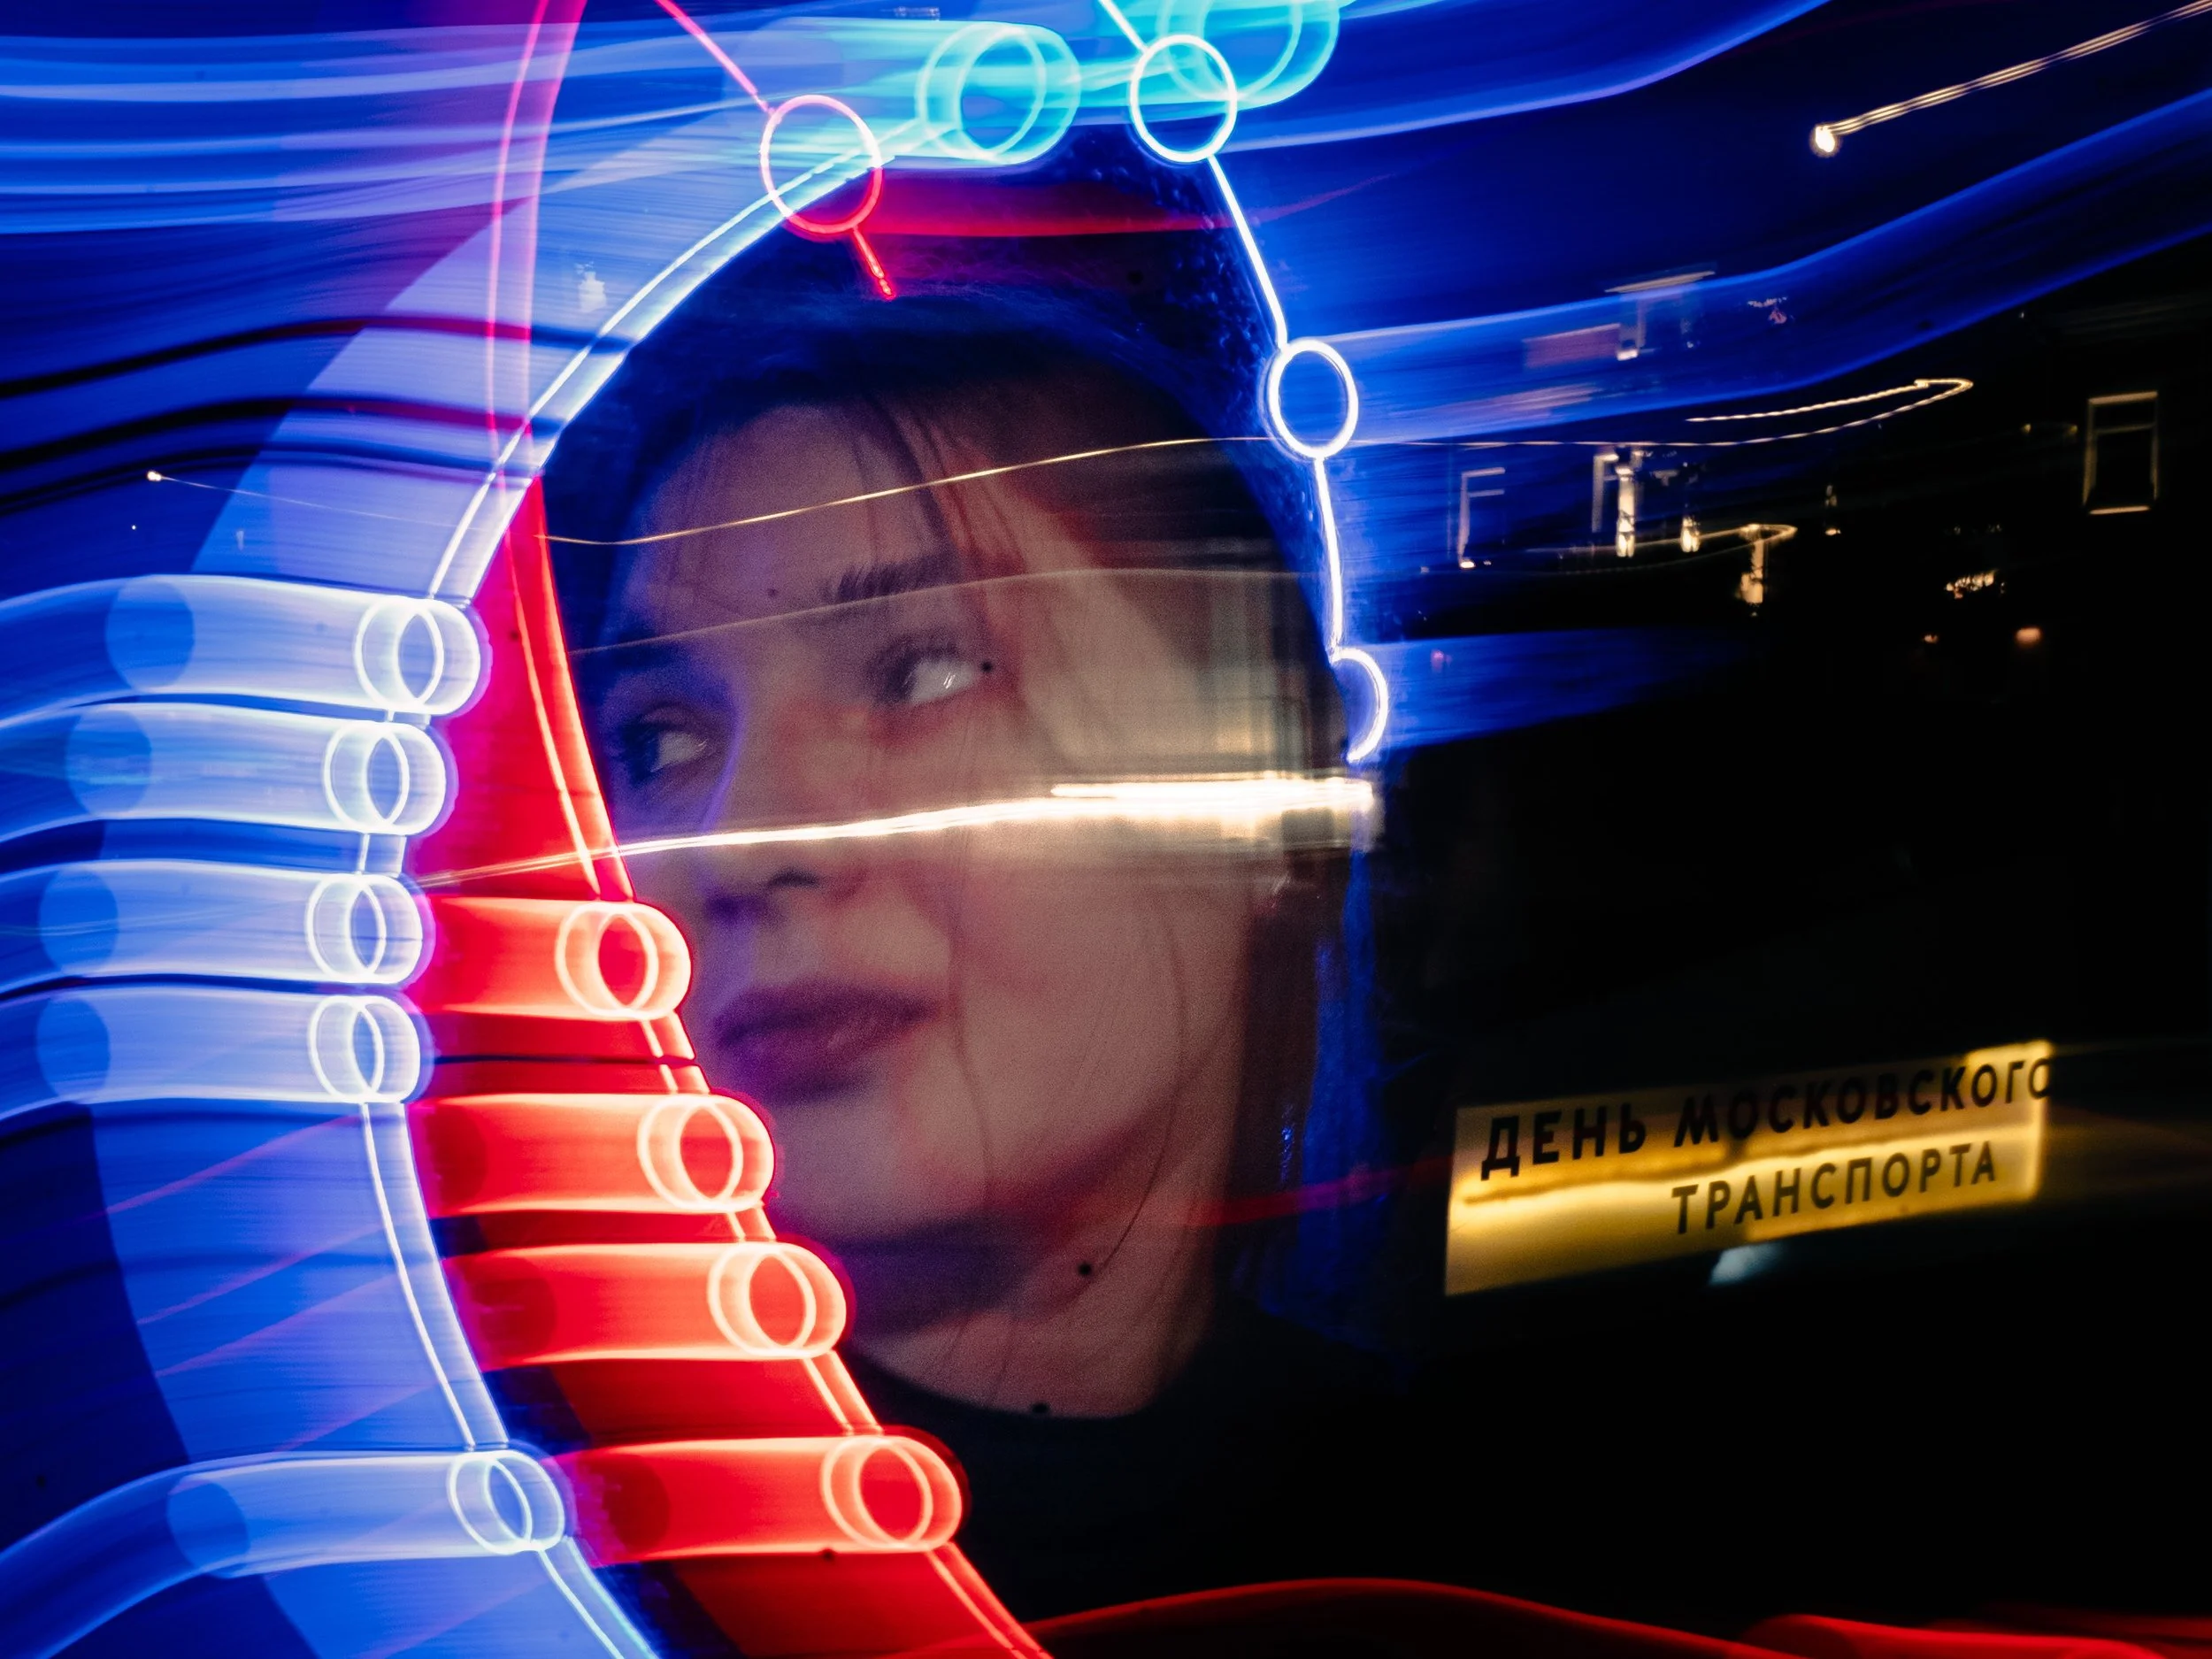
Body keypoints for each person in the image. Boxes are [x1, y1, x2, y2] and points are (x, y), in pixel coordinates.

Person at [554, 288, 1398, 1615]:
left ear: (1267, 789)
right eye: (658, 739)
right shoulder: (501, 1549)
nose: (739, 837)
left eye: (924, 674)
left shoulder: (1513, 1546)